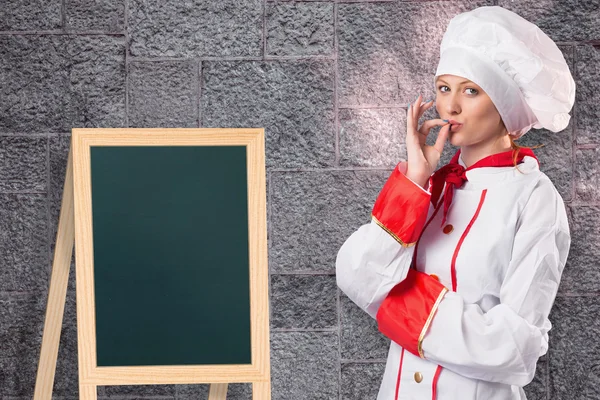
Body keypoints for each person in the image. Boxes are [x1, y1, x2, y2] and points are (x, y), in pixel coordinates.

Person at [335, 6, 575, 400]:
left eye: (471, 90)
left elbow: (514, 349)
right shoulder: (430, 185)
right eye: (444, 88)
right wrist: (414, 181)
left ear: (505, 104)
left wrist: (392, 299)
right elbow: (354, 270)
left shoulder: (536, 198)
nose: (450, 107)